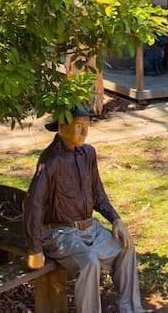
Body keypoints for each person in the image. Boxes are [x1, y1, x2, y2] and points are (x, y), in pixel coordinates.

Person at [24, 107, 144, 313]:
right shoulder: (50, 161)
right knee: (89, 263)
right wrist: (35, 248)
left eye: (87, 127)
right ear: (62, 127)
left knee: (126, 247)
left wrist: (116, 219)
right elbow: (32, 204)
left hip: (90, 229)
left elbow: (98, 194)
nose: (84, 132)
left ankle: (131, 309)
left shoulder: (88, 154)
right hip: (60, 234)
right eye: (79, 127)